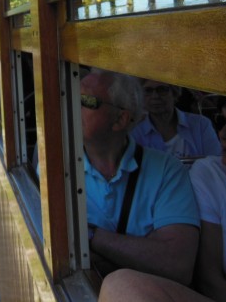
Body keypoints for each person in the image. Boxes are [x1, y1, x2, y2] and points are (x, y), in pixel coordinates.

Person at [98, 98, 226, 302]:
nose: (223, 134)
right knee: (121, 285)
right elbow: (209, 279)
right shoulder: (211, 176)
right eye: (220, 122)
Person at [81, 69, 200, 285]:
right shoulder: (54, 167)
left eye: (86, 101)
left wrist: (90, 237)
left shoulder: (167, 170)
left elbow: (176, 265)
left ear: (120, 119)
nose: (71, 107)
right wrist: (141, 251)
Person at [130, 79, 221, 161]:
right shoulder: (135, 132)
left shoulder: (201, 125)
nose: (155, 96)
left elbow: (215, 163)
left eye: (162, 89)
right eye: (148, 90)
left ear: (174, 93)